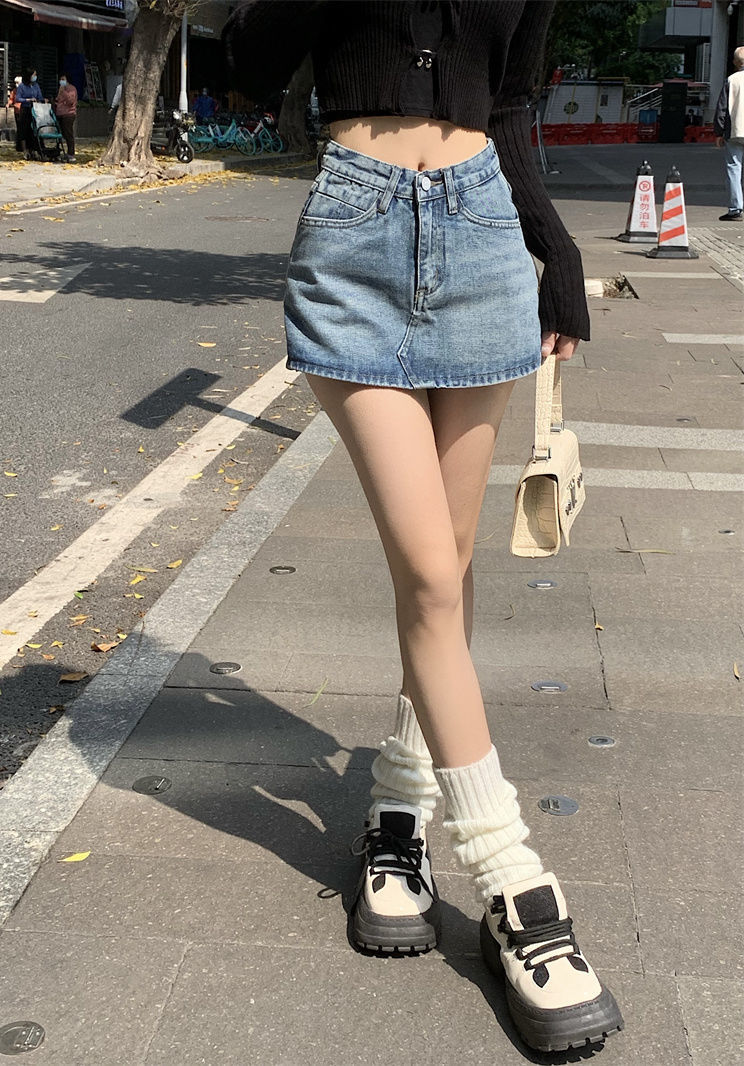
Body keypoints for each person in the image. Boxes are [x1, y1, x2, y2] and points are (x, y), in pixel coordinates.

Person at [222, 1, 623, 1055]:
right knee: (432, 579)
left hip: (484, 231)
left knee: (447, 563)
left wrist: (554, 252)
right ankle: (508, 872)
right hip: (353, 235)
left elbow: (514, 102)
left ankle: (399, 805)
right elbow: (248, 61)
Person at [714, 45, 744, 222]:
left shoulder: (731, 80)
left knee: (734, 169)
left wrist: (718, 132)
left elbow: (722, 108)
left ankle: (735, 209)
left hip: (735, 131)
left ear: (735, 62)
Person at [15, 67, 44, 159]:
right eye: (34, 75)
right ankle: (25, 150)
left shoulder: (36, 86)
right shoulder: (22, 86)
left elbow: (40, 96)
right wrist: (27, 100)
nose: (35, 76)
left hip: (35, 110)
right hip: (25, 109)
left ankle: (34, 149)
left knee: (34, 130)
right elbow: (17, 98)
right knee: (24, 130)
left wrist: (42, 100)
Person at [54, 72, 78, 162]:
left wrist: (63, 92)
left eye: (63, 79)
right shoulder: (61, 89)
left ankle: (71, 153)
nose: (61, 81)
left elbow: (70, 101)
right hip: (60, 113)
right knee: (63, 134)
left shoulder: (71, 89)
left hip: (68, 114)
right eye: (60, 79)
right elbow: (58, 100)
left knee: (68, 134)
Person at [9, 75, 23, 152]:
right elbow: (11, 99)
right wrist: (8, 103)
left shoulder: (24, 90)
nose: (16, 84)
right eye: (15, 83)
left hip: (23, 110)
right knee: (19, 128)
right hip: (17, 111)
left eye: (18, 83)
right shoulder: (14, 91)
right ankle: (19, 146)